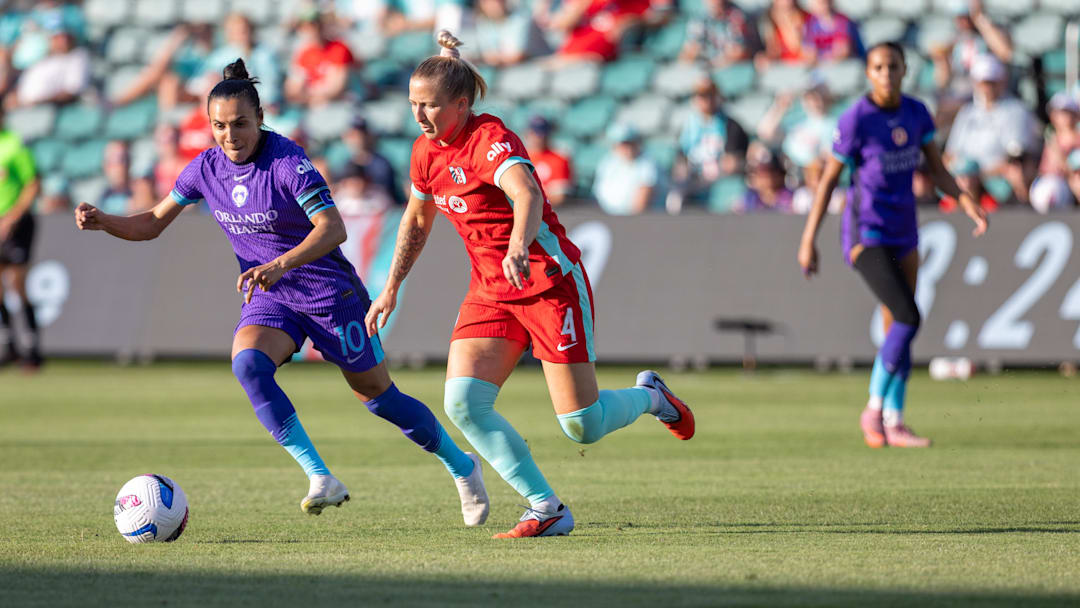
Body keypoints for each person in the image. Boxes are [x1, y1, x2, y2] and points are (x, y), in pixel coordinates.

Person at [74, 59, 489, 525]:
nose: (230, 136)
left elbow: (333, 230)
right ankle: (320, 476)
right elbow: (151, 223)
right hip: (272, 297)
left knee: (379, 398)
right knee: (248, 364)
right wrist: (103, 221)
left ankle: (462, 466)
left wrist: (279, 264)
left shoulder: (288, 161)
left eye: (240, 125)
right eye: (219, 126)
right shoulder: (204, 169)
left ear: (260, 118)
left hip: (329, 295)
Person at [367, 31, 694, 538]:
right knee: (463, 404)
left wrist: (519, 245)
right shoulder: (425, 152)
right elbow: (416, 220)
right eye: (413, 104)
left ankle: (650, 397)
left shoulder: (490, 139)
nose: (419, 116)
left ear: (461, 103)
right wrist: (391, 285)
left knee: (581, 424)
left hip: (546, 282)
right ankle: (546, 507)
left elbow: (527, 193)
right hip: (491, 291)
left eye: (428, 105)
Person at [797, 42, 988, 449]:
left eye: (893, 66)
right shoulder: (856, 120)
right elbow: (829, 180)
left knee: (897, 328)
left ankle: (894, 421)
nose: (886, 73)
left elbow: (937, 170)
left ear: (904, 70)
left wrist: (967, 203)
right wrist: (809, 238)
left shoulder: (916, 113)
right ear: (869, 73)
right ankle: (873, 407)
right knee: (908, 316)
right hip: (867, 234)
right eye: (879, 67)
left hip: (905, 230)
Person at [945, 54, 1038, 205]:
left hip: (997, 183)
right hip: (966, 179)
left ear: (1002, 82)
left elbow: (1014, 158)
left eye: (991, 82)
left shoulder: (1016, 111)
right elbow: (950, 153)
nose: (987, 88)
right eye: (983, 82)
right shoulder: (967, 112)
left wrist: (979, 175)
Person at [0, 108, 41, 368]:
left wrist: (12, 217)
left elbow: (33, 183)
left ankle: (31, 346)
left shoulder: (13, 144)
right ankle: (8, 344)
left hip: (15, 224)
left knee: (17, 282)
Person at [668, 78, 748, 213]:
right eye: (701, 96)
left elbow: (732, 163)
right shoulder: (688, 127)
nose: (706, 100)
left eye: (710, 95)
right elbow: (680, 161)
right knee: (675, 198)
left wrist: (714, 169)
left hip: (721, 180)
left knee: (729, 197)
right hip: (695, 180)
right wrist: (684, 170)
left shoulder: (730, 125)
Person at [284, 13, 355, 107]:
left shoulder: (338, 48)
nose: (309, 30)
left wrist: (309, 95)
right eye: (304, 27)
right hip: (312, 104)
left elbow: (336, 88)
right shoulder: (303, 53)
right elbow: (292, 89)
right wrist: (309, 97)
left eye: (313, 25)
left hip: (338, 105)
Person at [592, 122, 663, 215]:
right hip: (609, 218)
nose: (627, 148)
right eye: (622, 144)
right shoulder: (608, 163)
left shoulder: (647, 165)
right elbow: (599, 194)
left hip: (638, 222)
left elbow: (641, 202)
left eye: (630, 143)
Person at [678, 0, 755, 68]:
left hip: (732, 69)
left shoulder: (736, 15)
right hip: (708, 68)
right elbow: (688, 51)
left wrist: (714, 65)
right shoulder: (699, 16)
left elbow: (741, 52)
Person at [523, 116, 573, 207]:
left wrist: (527, 200)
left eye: (543, 133)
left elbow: (559, 197)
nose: (540, 137)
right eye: (535, 133)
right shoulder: (518, 157)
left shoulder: (559, 158)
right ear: (527, 134)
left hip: (551, 211)